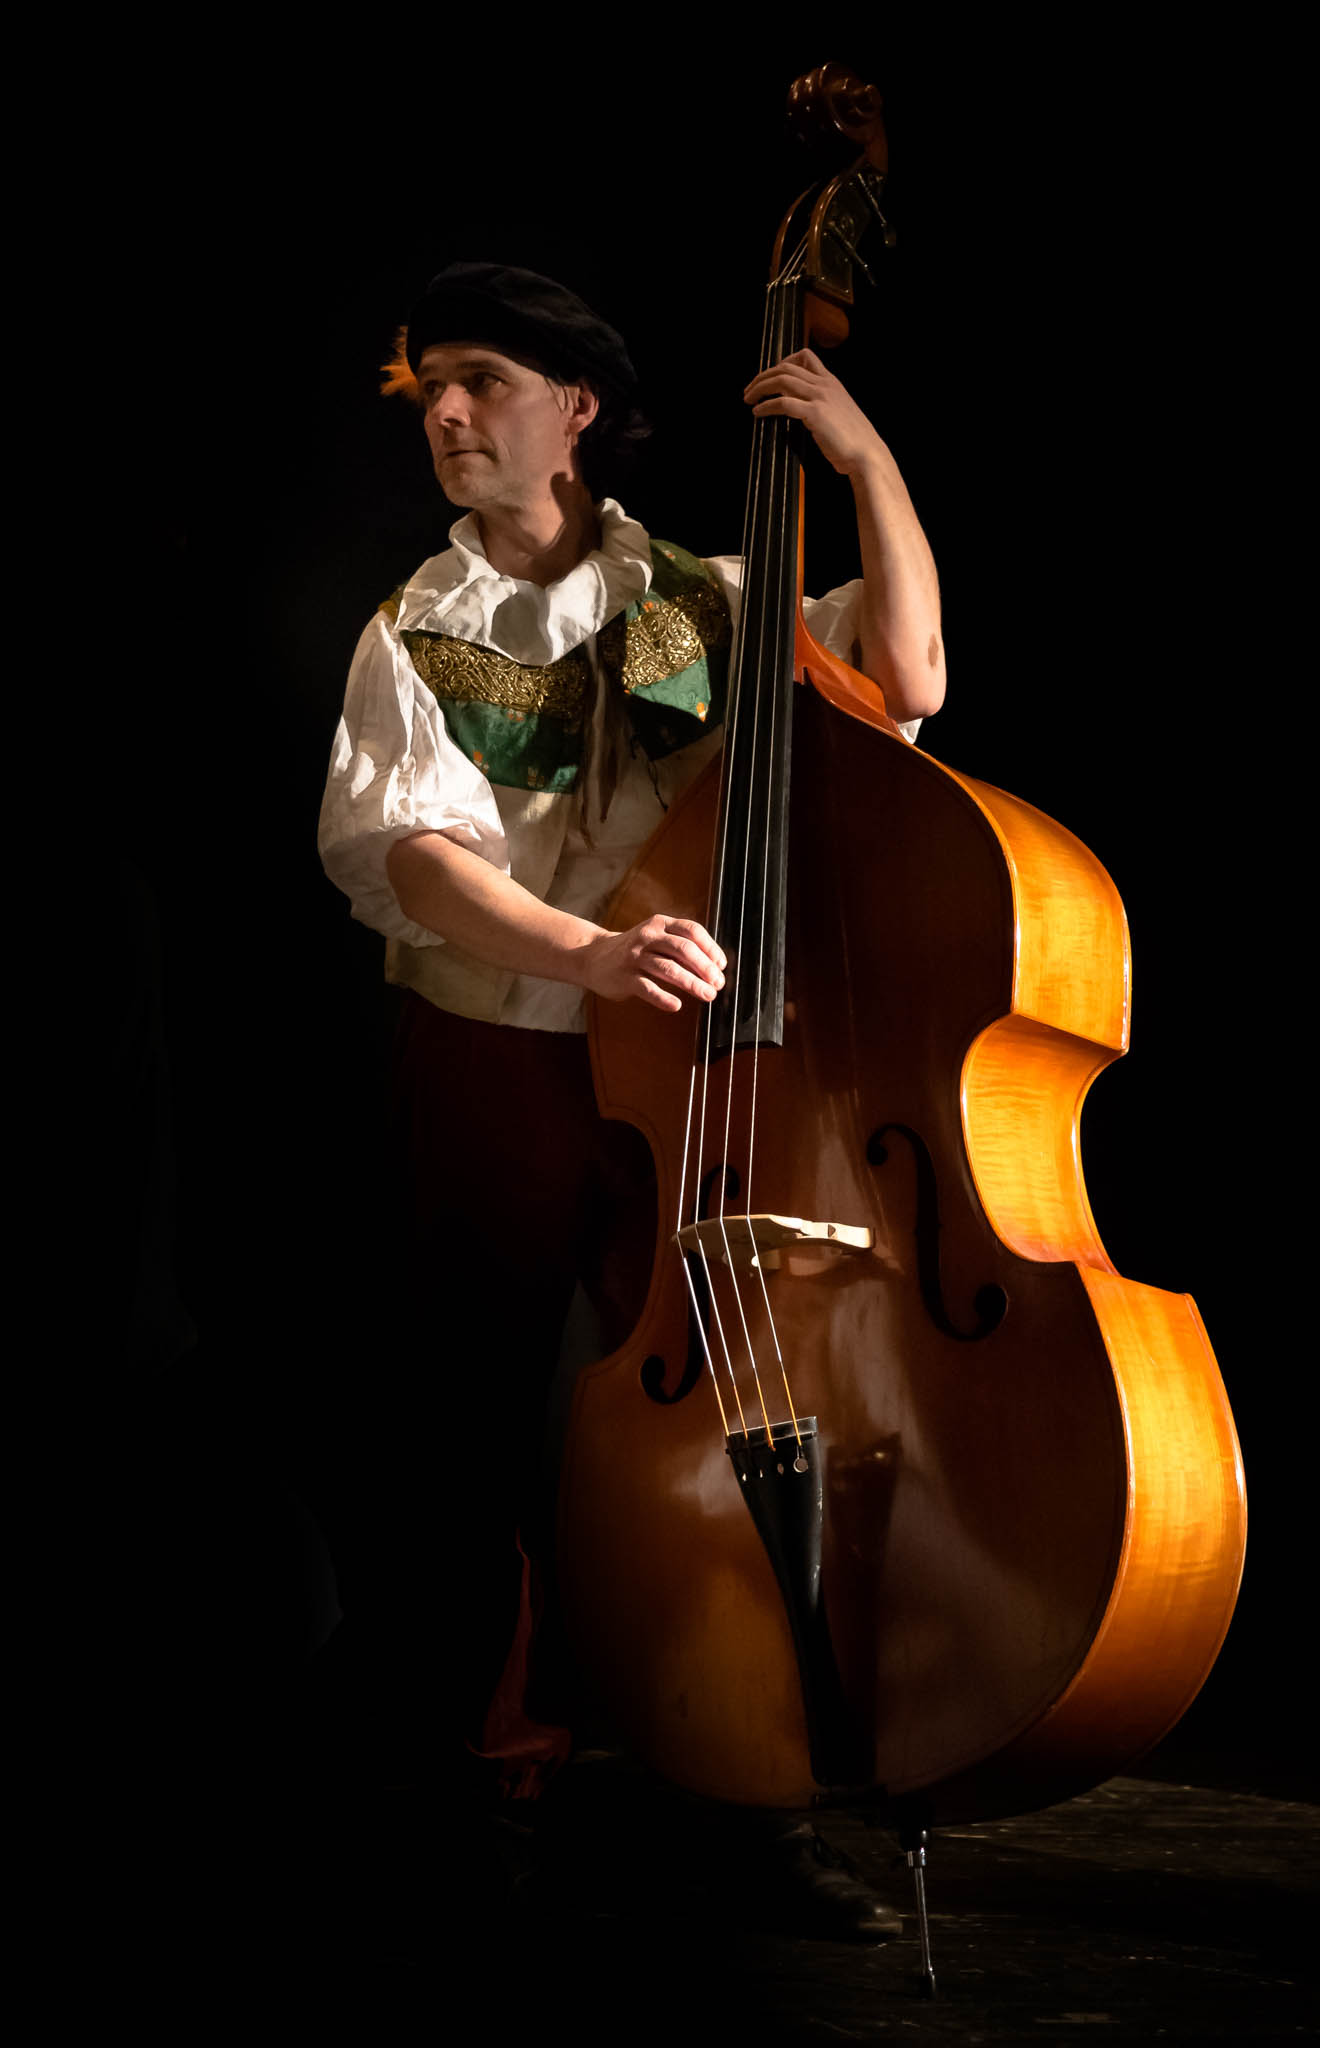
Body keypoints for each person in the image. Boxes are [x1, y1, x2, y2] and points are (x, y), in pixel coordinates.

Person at [317, 261, 945, 1938]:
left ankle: (743, 1788)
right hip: (502, 1051)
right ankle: (488, 1782)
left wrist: (863, 459)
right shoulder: (416, 628)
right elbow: (413, 859)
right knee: (473, 1425)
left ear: (575, 408)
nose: (447, 413)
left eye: (481, 380)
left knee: (725, 1406)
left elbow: (906, 680)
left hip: (687, 1070)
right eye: (431, 387)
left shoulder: (709, 596)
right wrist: (589, 952)